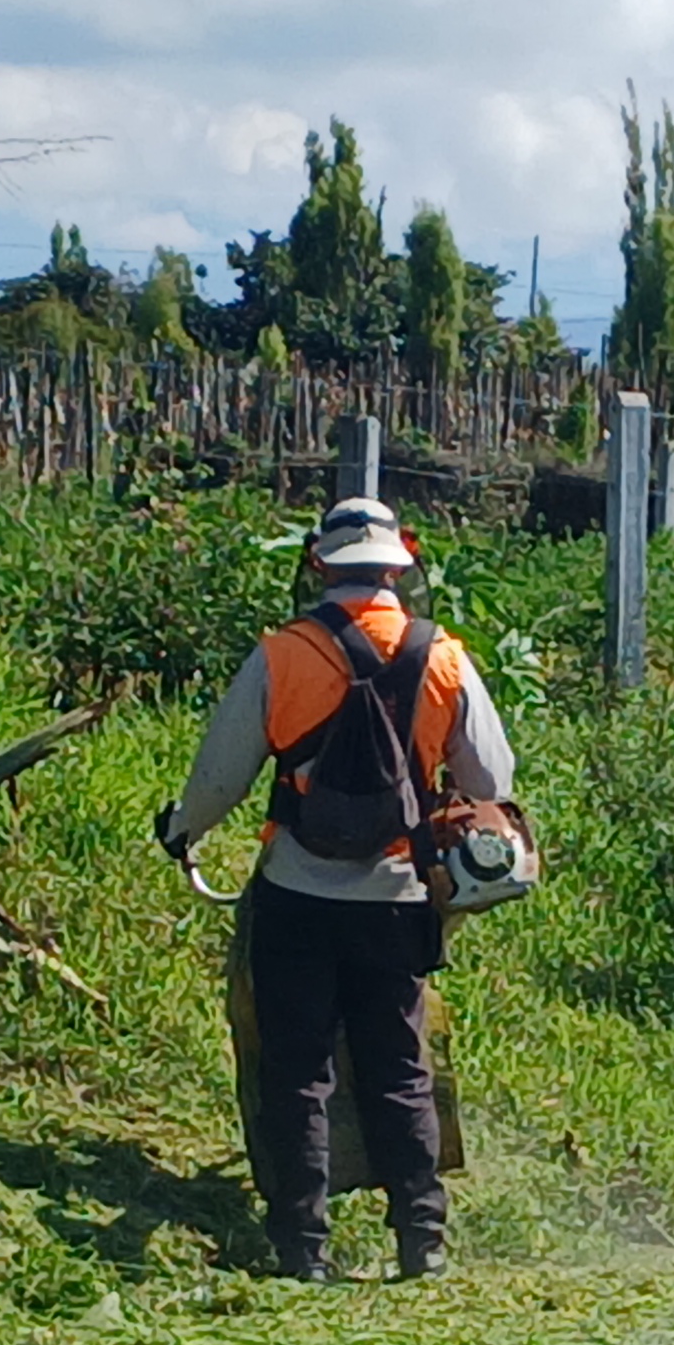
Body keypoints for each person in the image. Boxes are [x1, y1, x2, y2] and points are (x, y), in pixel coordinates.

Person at [160, 497, 515, 1282]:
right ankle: (421, 1239)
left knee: (297, 1070)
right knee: (400, 1066)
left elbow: (219, 777)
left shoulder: (281, 654)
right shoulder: (443, 656)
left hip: (297, 894)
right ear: (400, 568)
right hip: (399, 898)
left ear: (318, 565)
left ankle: (303, 1248)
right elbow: (493, 780)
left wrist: (183, 831)